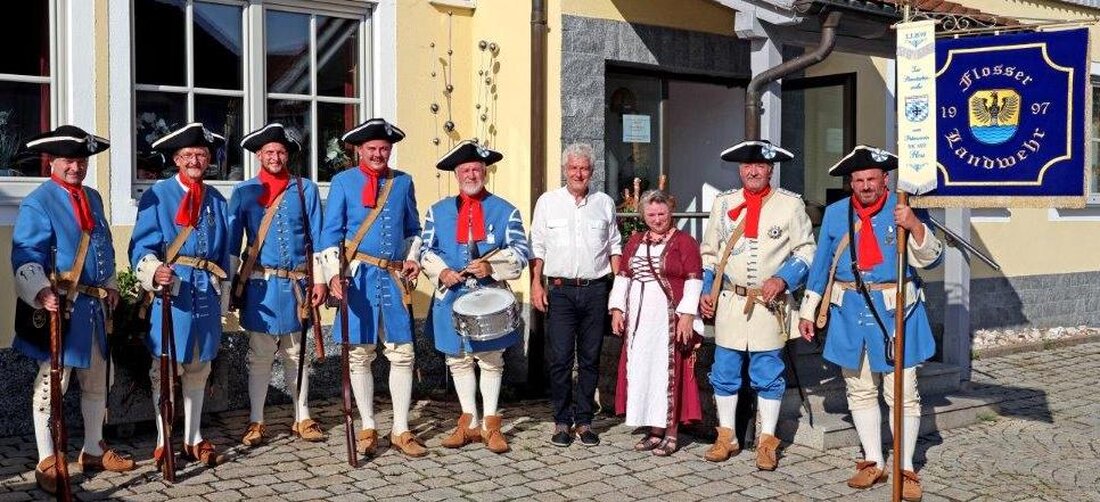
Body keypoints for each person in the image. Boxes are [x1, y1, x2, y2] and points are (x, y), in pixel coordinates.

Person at [797, 145, 943, 502]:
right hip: (848, 311)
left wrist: (914, 226)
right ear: (851, 182)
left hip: (896, 313)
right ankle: (873, 461)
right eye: (859, 180)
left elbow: (932, 259)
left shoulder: (904, 208)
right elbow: (821, 265)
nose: (865, 186)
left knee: (903, 394)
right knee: (859, 389)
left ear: (885, 180)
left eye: (872, 180)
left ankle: (906, 467)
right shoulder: (835, 214)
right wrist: (808, 309)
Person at [12, 126, 137, 494]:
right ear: (53, 162)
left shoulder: (93, 198)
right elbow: (25, 253)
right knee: (52, 387)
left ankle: (94, 448)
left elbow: (104, 248)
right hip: (62, 308)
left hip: (94, 310)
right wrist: (40, 291)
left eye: (81, 162)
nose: (76, 168)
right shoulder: (39, 201)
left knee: (97, 382)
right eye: (69, 161)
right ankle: (47, 459)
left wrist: (111, 286)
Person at [699, 140, 816, 470]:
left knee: (768, 371)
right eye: (748, 166)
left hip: (769, 304)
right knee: (724, 370)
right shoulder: (724, 204)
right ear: (740, 170)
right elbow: (710, 252)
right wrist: (708, 289)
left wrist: (783, 278)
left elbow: (807, 251)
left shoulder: (790, 206)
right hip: (731, 301)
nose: (753, 171)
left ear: (770, 170)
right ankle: (727, 436)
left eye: (761, 166)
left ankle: (767, 441)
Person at [319, 118, 426, 458]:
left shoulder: (403, 182)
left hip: (393, 279)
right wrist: (332, 273)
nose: (379, 154)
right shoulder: (342, 182)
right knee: (359, 355)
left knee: (402, 354)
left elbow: (413, 228)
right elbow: (330, 233)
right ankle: (367, 426)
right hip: (358, 278)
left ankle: (401, 429)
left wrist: (412, 257)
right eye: (372, 149)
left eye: (384, 148)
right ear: (359, 151)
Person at [130, 122, 232, 467]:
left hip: (206, 289)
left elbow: (225, 253)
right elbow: (140, 246)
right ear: (176, 158)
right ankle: (163, 440)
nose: (195, 160)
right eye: (188, 155)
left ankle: (193, 437)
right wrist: (153, 269)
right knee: (165, 364)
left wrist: (225, 296)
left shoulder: (217, 199)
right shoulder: (157, 195)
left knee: (199, 366)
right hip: (172, 290)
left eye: (201, 155)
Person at [420, 140, 531, 454]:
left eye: (477, 169)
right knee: (457, 359)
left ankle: (491, 425)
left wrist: (490, 266)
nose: (472, 174)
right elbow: (425, 249)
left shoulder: (506, 210)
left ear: (485, 171)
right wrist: (441, 271)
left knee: (492, 361)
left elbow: (522, 252)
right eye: (466, 169)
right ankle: (468, 423)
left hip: (489, 299)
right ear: (457, 174)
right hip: (450, 295)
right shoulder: (436, 211)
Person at [228, 123, 327, 447]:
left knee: (297, 353)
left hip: (297, 285)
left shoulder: (305, 189)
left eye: (281, 151)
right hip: (261, 287)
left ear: (289, 155)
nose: (275, 156)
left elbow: (320, 239)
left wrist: (321, 280)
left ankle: (303, 416)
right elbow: (231, 244)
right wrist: (229, 288)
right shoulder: (243, 192)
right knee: (259, 355)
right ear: (259, 155)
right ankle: (256, 420)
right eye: (269, 151)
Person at [529, 143, 622, 447]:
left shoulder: (604, 203)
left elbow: (614, 248)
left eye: (584, 168)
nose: (578, 173)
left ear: (591, 172)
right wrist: (535, 283)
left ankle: (584, 421)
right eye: (573, 168)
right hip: (560, 291)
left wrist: (619, 291)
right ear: (565, 170)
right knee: (560, 359)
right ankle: (560, 421)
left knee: (591, 358)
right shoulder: (548, 202)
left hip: (595, 290)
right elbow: (538, 247)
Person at [608, 190, 703, 456]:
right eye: (651, 214)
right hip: (639, 318)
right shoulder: (635, 241)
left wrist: (686, 316)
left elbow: (695, 280)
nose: (657, 219)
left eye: (662, 213)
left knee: (666, 373)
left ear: (671, 212)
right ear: (643, 215)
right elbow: (623, 276)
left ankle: (671, 431)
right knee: (644, 371)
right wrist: (617, 309)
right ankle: (654, 430)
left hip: (667, 318)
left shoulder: (685, 242)